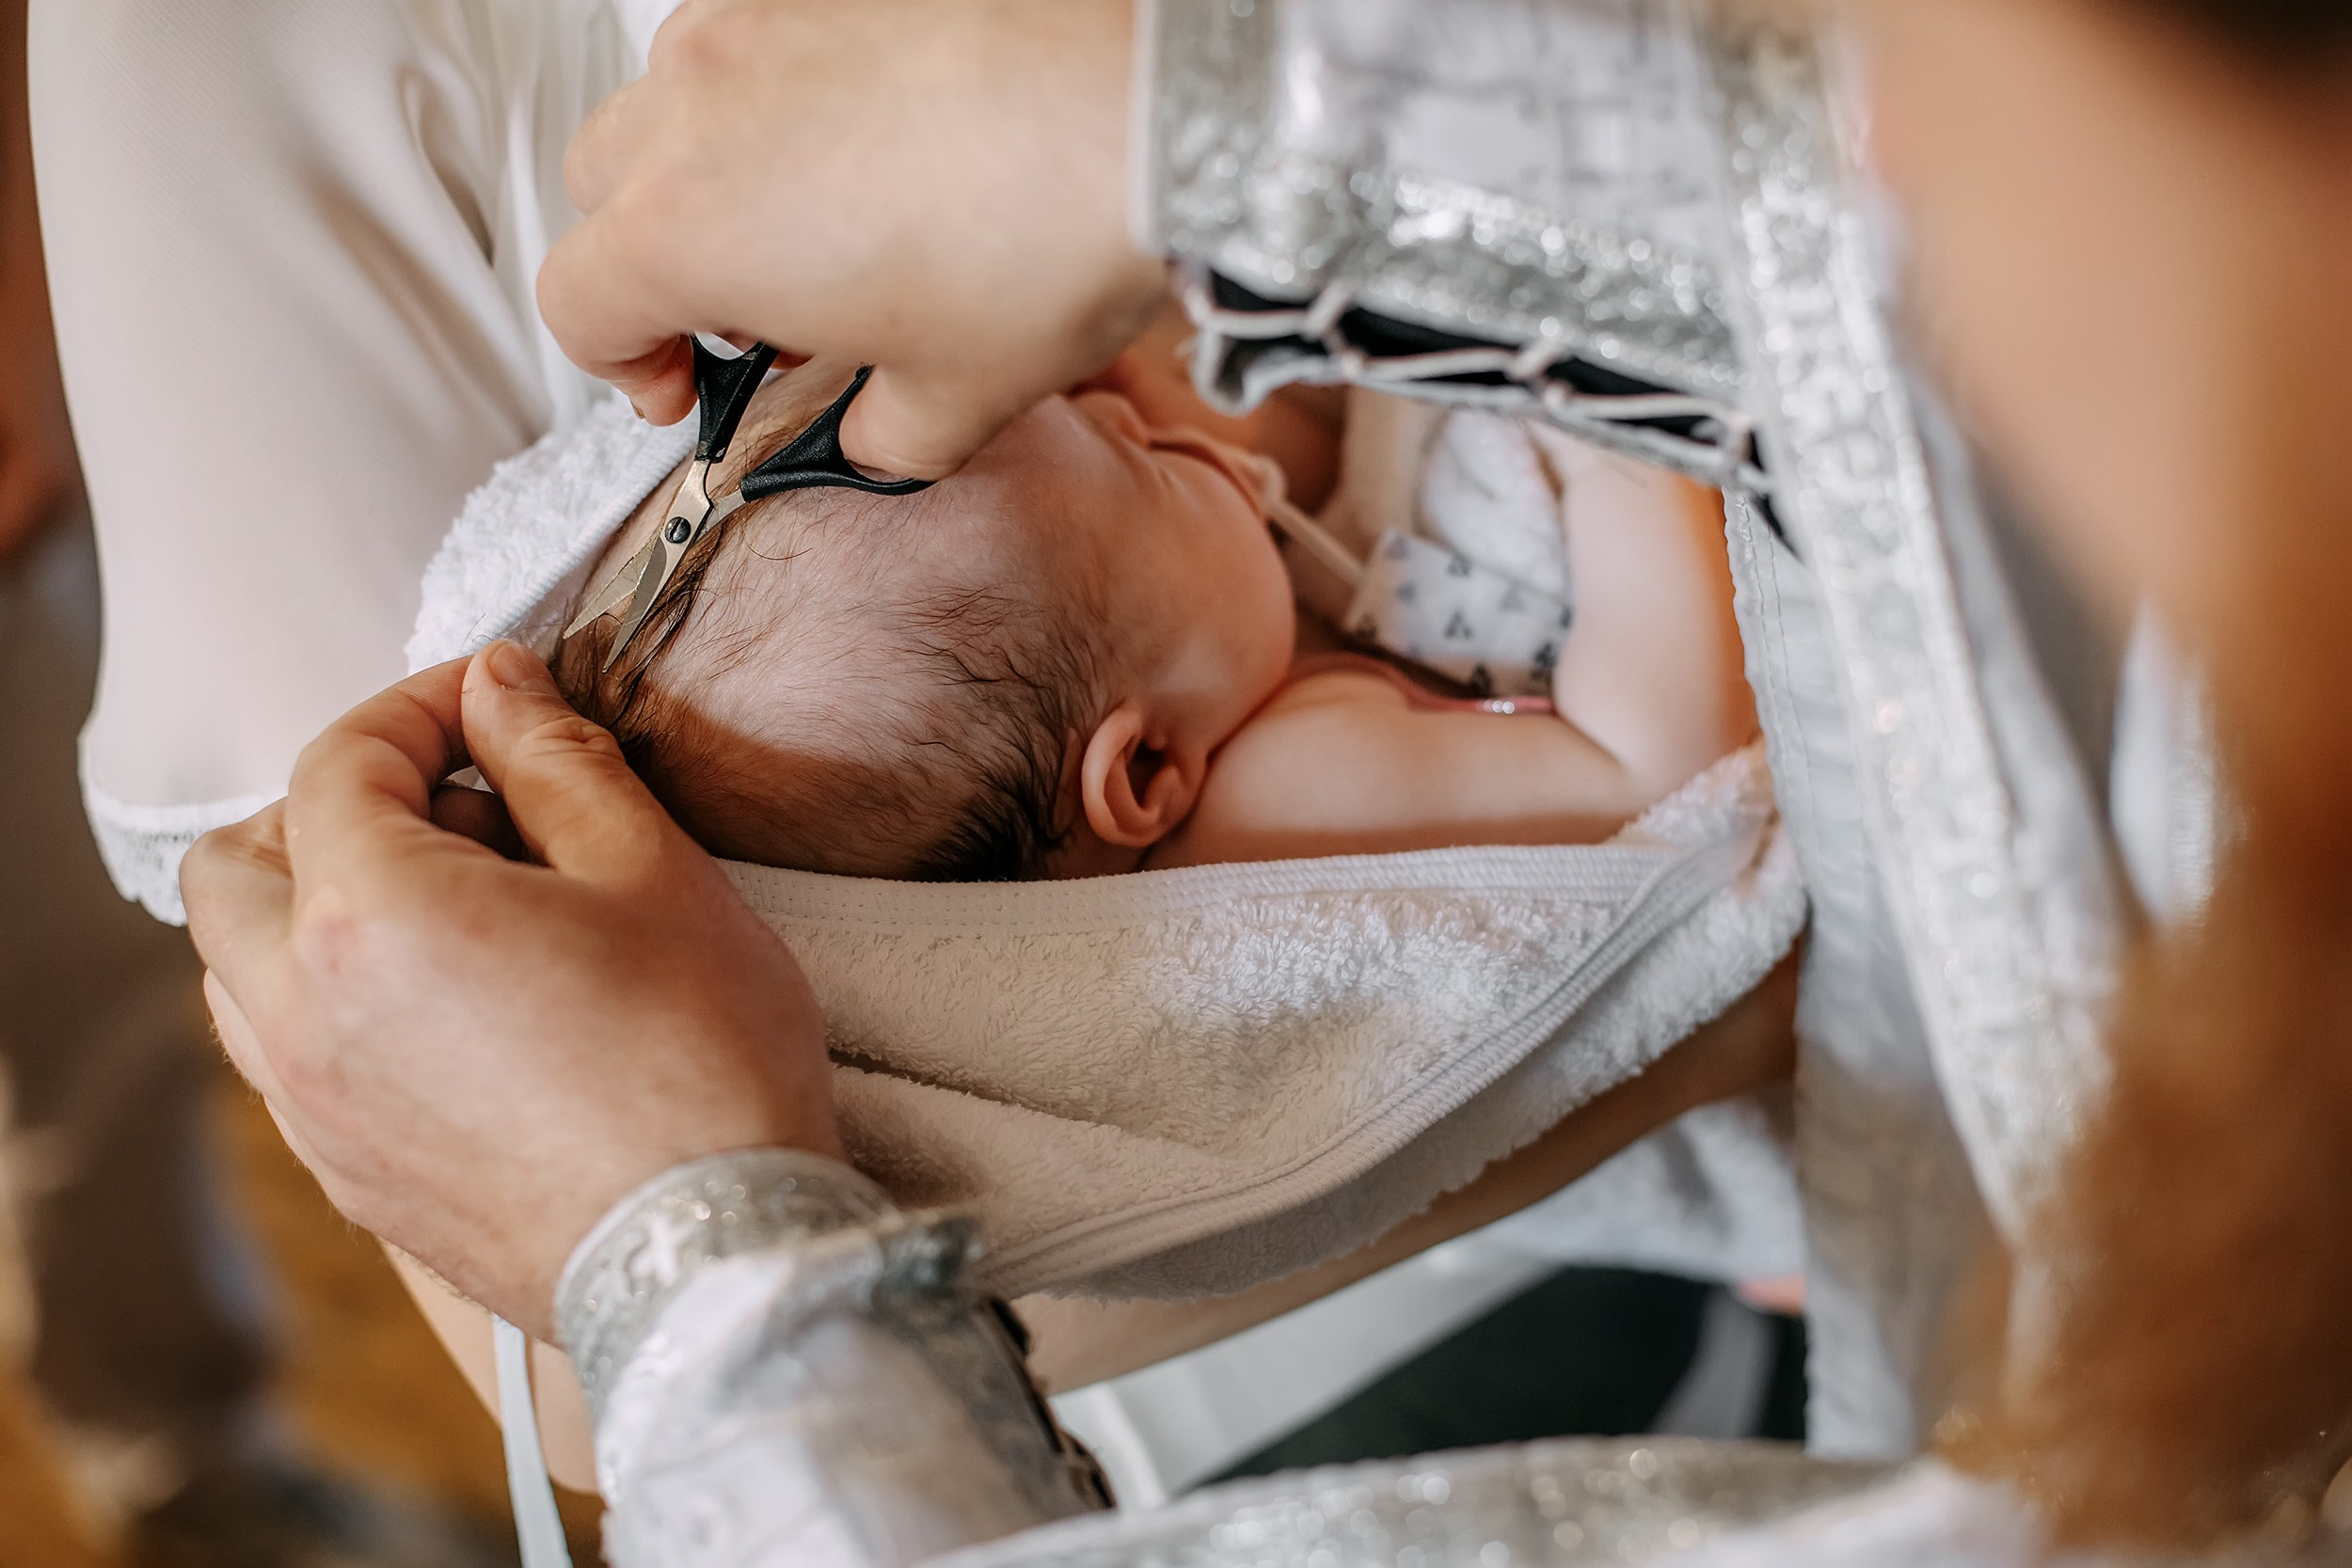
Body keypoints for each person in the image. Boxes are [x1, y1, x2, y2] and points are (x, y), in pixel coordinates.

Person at [183, 0, 2352, 1561]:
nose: (1861, 137)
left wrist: (695, 1269)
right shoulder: (1281, 754)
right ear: (1137, 778)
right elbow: (1651, 739)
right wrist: (1245, 169)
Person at [552, 355, 1749, 879]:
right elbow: (1648, 765)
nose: (1149, 419)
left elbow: (1270, 480)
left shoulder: (1193, 643)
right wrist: (1614, 442)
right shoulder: (1273, 793)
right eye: (1144, 464)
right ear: (1147, 765)